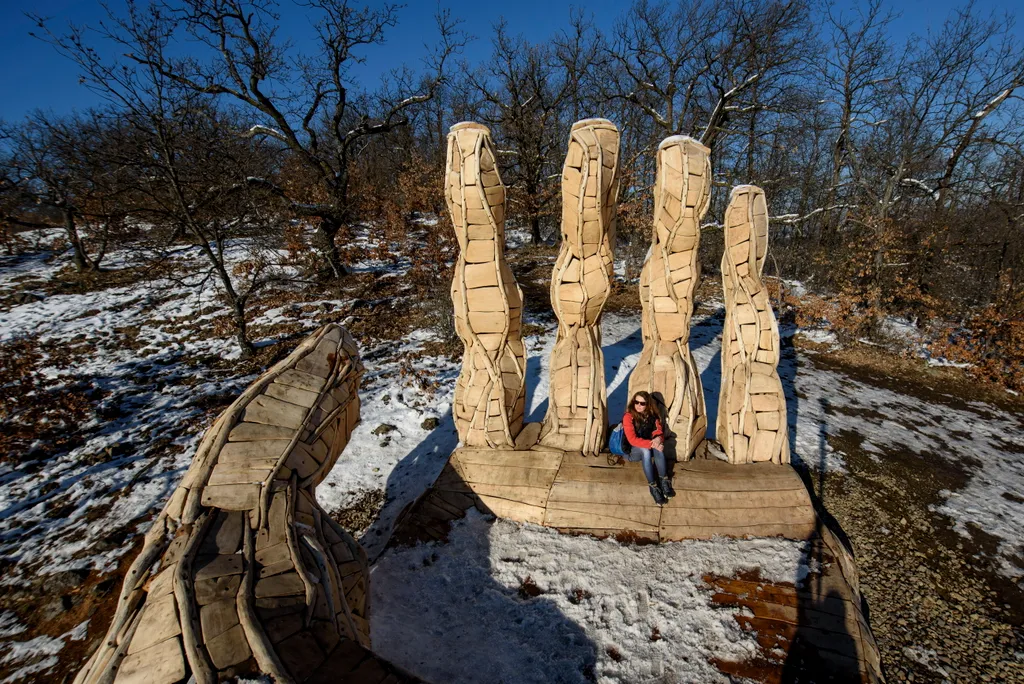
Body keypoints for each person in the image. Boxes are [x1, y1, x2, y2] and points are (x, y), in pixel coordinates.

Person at [623, 391, 675, 505]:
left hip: (648, 445)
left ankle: (664, 480)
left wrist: (658, 439)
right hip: (631, 451)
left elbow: (658, 431)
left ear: (648, 405)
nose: (639, 405)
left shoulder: (652, 416)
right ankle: (653, 486)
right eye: (636, 402)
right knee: (646, 451)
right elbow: (632, 440)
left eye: (642, 403)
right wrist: (652, 444)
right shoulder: (628, 417)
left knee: (659, 447)